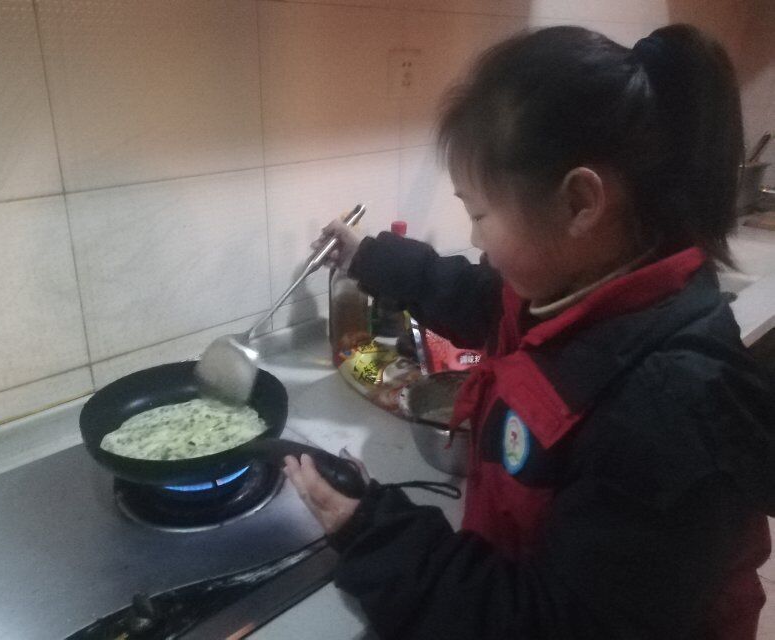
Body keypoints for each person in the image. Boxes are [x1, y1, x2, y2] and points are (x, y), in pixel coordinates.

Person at [283, 24, 775, 639]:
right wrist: (370, 258)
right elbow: (481, 298)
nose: (474, 238)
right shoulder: (587, 284)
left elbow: (549, 626)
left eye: (479, 212)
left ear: (579, 204)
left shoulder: (668, 414)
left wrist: (377, 535)